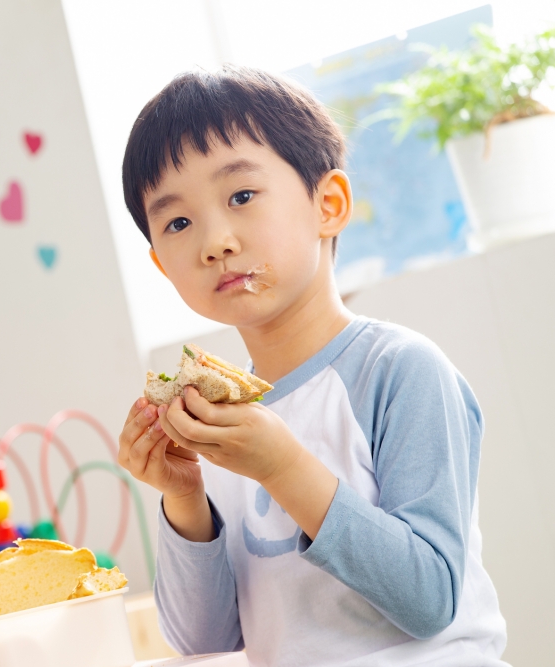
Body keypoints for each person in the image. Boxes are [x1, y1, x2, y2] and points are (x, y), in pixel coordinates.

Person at [116, 66, 507, 666]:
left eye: (241, 196)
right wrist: (186, 500)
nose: (214, 240)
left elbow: (430, 598)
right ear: (163, 268)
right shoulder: (217, 422)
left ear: (329, 204)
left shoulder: (401, 371)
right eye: (178, 222)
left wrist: (282, 465)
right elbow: (205, 641)